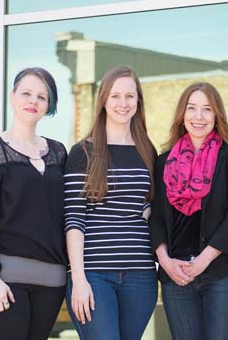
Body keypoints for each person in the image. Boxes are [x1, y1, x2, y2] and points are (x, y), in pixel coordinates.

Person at [0, 67, 67, 340]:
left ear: (49, 105)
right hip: (3, 281)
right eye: (26, 93)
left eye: (41, 97)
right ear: (12, 97)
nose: (33, 101)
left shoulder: (59, 153)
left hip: (51, 283)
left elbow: (66, 214)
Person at [149, 82, 228, 340]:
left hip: (221, 274)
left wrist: (203, 261)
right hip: (177, 276)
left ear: (216, 116)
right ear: (182, 115)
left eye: (207, 109)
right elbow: (158, 217)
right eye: (192, 108)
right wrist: (165, 261)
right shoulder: (163, 161)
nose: (198, 116)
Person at [64, 65, 157, 340]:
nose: (123, 103)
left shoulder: (147, 150)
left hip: (140, 275)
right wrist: (78, 280)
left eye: (130, 96)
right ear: (103, 100)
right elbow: (74, 219)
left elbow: (147, 204)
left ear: (138, 100)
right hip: (94, 274)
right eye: (115, 96)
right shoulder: (83, 152)